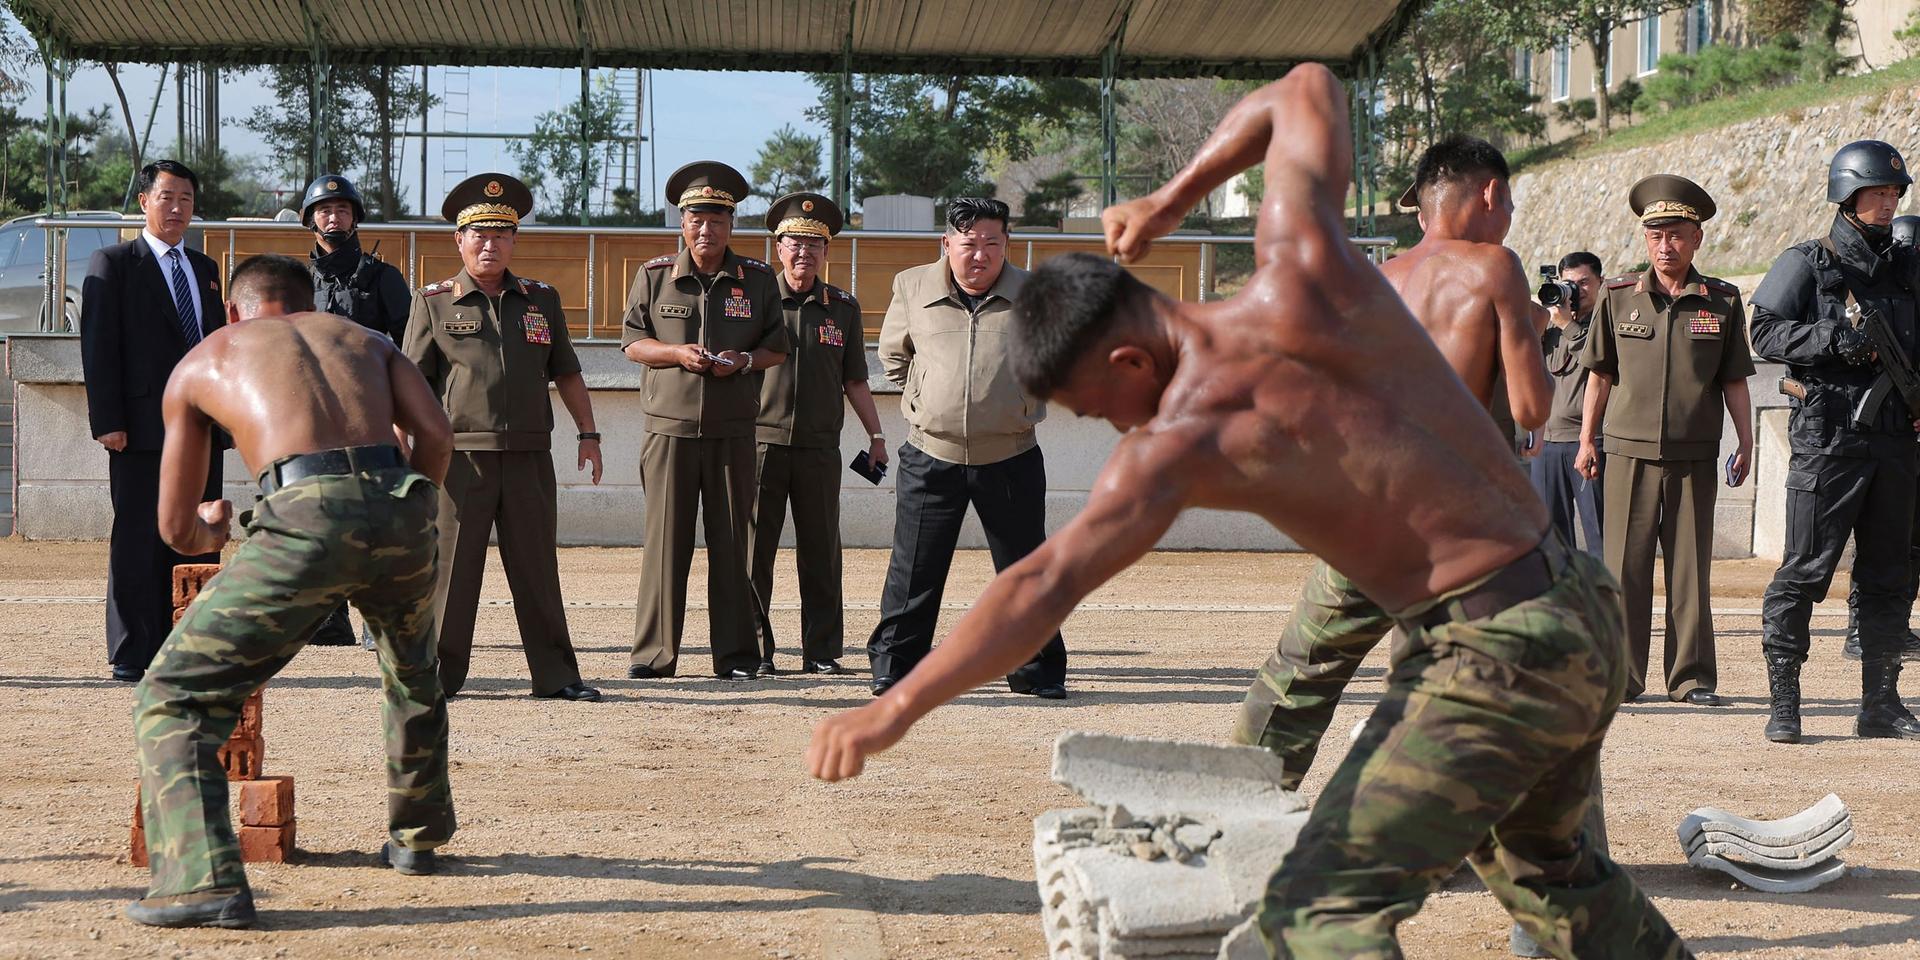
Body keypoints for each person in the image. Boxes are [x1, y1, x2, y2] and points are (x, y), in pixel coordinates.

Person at [806, 64, 1688, 959]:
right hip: (1575, 606)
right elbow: (1307, 89)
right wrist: (1165, 202)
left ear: (1125, 359)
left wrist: (895, 709)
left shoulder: (1176, 445)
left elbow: (1041, 584)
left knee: (1317, 915)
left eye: (1098, 405)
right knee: (1549, 872)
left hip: (1498, 645)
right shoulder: (1303, 269)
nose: (1115, 427)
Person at [126, 253, 455, 929]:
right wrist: (403, 512)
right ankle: (418, 841)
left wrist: (212, 530)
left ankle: (198, 881)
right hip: (404, 500)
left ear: (232, 310)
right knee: (411, 667)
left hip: (305, 511)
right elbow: (437, 436)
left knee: (173, 693)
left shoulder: (204, 359)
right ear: (310, 305)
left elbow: (176, 528)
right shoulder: (367, 339)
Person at [1233, 134, 1551, 790]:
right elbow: (1532, 409)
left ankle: (1234, 800)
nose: (1508, 216)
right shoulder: (1496, 268)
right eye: (1508, 202)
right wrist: (1532, 332)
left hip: (1370, 509)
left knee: (1301, 671)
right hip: (1462, 523)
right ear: (1491, 193)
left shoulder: (1378, 279)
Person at [402, 173, 602, 703]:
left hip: (529, 458)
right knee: (452, 574)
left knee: (538, 570)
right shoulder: (433, 303)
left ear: (514, 241)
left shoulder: (542, 299)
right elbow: (410, 382)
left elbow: (568, 372)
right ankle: (437, 678)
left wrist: (589, 432)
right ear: (459, 241)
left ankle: (556, 676)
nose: (489, 245)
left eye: (500, 235)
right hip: (460, 462)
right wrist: (405, 448)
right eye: (479, 235)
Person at [1751, 140, 1920, 743]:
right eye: (1877, 192)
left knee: (1889, 575)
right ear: (1847, 195)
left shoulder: (1907, 266)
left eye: (1895, 193)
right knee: (1804, 571)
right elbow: (1764, 330)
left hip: (1897, 441)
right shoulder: (1809, 262)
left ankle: (1880, 703)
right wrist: (1832, 341)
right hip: (1828, 441)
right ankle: (1785, 702)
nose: (1889, 201)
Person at [867, 197, 1068, 699]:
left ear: (1007, 245)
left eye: (991, 244)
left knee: (1024, 570)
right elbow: (894, 356)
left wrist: (1018, 400)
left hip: (1012, 454)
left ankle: (1035, 670)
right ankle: (895, 668)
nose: (979, 255)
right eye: (969, 243)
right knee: (913, 569)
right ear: (947, 243)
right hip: (930, 454)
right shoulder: (911, 286)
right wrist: (925, 395)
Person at [1576, 175, 1756, 707]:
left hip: (1694, 453)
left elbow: (1734, 381)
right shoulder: (1617, 298)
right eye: (1655, 235)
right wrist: (1587, 440)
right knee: (1622, 569)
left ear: (1696, 238)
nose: (1664, 245)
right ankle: (1620, 677)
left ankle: (1692, 678)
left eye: (1676, 234)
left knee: (1690, 570)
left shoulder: (1721, 301)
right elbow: (1599, 376)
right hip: (1626, 452)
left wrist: (1745, 442)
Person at [622, 161, 790, 681]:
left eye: (717, 218)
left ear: (731, 225)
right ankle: (654, 656)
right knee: (665, 546)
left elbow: (776, 348)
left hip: (734, 431)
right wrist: (676, 355)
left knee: (731, 543)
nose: (706, 228)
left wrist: (743, 361)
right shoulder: (653, 276)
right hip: (668, 431)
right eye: (697, 217)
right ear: (681, 221)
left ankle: (737, 657)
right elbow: (632, 343)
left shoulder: (758, 280)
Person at [80, 159, 226, 682]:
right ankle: (132, 650)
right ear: (144, 201)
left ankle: (192, 647)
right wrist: (108, 419)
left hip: (202, 426)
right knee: (139, 534)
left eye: (186, 198)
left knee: (201, 534)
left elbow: (216, 349)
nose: (177, 207)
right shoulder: (114, 262)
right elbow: (98, 347)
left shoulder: (205, 270)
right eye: (167, 196)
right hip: (140, 427)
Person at [748, 192, 888, 675]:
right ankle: (754, 650)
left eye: (814, 243)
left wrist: (876, 436)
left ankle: (823, 651)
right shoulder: (755, 301)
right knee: (754, 550)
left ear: (827, 252)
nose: (803, 252)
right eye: (794, 242)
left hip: (819, 448)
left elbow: (855, 380)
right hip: (759, 445)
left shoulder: (843, 309)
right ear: (777, 248)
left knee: (822, 551)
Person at [300, 171, 413, 647]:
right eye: (324, 210)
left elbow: (410, 350)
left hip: (371, 413)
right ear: (310, 220)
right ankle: (328, 619)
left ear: (355, 218)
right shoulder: (295, 281)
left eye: (342, 209)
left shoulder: (384, 278)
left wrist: (404, 418)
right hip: (313, 414)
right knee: (319, 514)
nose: (333, 216)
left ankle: (377, 618)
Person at [1531, 251, 1607, 556]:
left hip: (1590, 442)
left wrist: (1568, 327)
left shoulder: (1607, 319)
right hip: (1548, 443)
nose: (1576, 290)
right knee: (1551, 538)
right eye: (1569, 283)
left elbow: (1599, 359)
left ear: (1600, 281)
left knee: (1600, 531)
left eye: (1584, 283)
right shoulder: (1550, 324)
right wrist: (1539, 320)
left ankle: (1608, 600)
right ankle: (1564, 601)